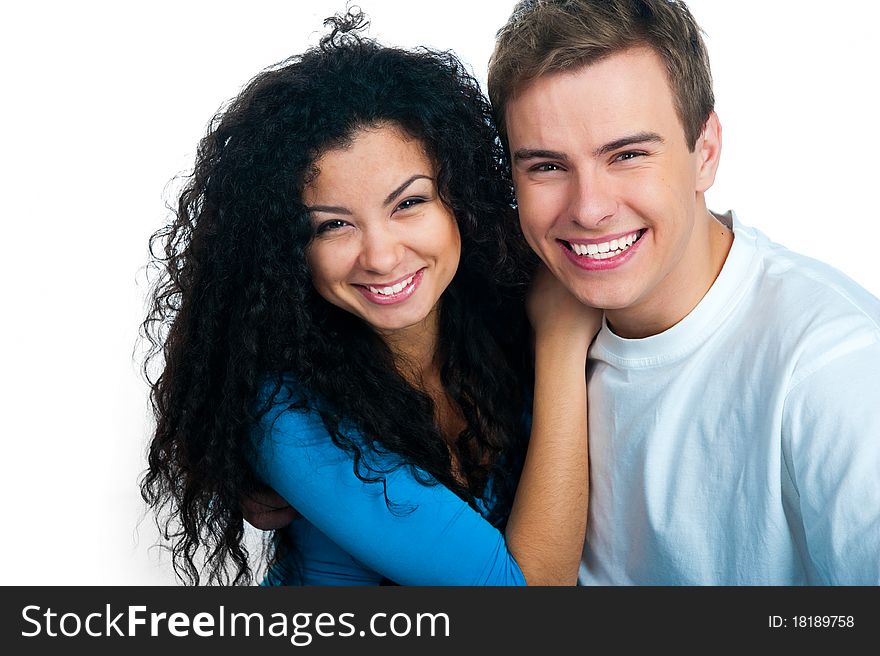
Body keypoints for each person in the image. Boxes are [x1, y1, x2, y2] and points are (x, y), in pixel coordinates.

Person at [140, 11, 597, 586]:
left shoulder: (499, 313)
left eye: (408, 204)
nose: (380, 256)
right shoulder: (286, 413)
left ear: (463, 198)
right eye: (333, 226)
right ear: (288, 251)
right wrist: (560, 340)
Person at [488, 0, 880, 584]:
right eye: (547, 166)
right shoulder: (513, 319)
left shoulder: (831, 368)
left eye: (627, 155)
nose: (589, 209)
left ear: (707, 153)